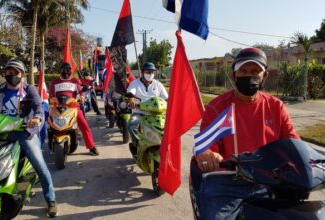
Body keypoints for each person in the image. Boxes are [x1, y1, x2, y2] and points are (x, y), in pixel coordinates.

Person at [193, 48, 300, 220]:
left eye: (255, 71)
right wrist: (209, 154)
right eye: (243, 71)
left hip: (270, 181)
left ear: (264, 76)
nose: (249, 75)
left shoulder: (276, 106)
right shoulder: (217, 107)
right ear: (234, 75)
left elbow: (293, 143)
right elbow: (207, 145)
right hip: (228, 181)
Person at [0, 59, 57, 217]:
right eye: (9, 72)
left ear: (22, 74)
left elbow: (38, 107)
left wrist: (36, 118)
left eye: (16, 72)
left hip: (23, 132)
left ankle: (51, 200)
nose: (12, 75)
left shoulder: (29, 89)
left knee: (40, 166)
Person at [49, 62, 99, 156]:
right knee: (50, 125)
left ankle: (91, 146)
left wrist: (82, 97)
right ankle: (51, 144)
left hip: (73, 107)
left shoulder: (75, 80)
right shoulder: (54, 82)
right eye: (64, 70)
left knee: (84, 126)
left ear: (71, 71)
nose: (66, 72)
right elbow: (51, 95)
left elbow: (81, 92)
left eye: (68, 70)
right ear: (60, 71)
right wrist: (52, 99)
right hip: (58, 108)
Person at [127, 62, 168, 146]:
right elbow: (131, 93)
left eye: (152, 72)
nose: (150, 74)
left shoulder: (158, 85)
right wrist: (131, 100)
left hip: (156, 115)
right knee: (131, 125)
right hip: (139, 113)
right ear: (143, 72)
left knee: (168, 128)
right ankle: (138, 144)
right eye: (148, 72)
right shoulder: (135, 83)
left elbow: (166, 98)